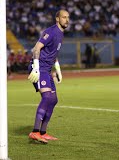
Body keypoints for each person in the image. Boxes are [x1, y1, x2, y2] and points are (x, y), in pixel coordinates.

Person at [27, 10, 70, 144]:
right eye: (64, 17)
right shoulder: (51, 31)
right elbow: (36, 49)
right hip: (39, 68)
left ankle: (43, 133)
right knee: (47, 97)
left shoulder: (61, 34)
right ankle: (35, 132)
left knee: (53, 100)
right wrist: (35, 67)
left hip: (47, 69)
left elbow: (53, 53)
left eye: (68, 18)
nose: (67, 20)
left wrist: (58, 69)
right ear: (57, 19)